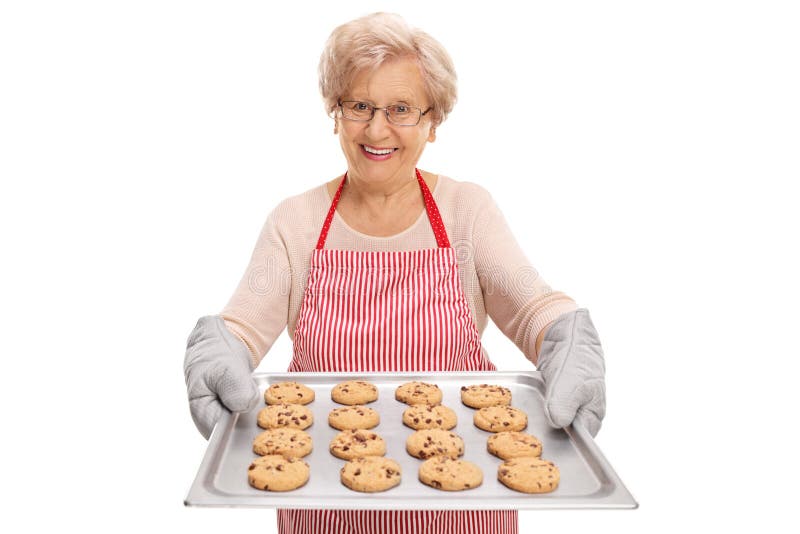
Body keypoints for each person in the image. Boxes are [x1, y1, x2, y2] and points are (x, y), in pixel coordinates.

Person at [184, 12, 606, 534]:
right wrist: (217, 347)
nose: (377, 129)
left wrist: (567, 336)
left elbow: (530, 304)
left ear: (434, 121)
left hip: (464, 513)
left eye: (401, 109)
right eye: (359, 105)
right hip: (327, 510)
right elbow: (243, 326)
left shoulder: (465, 211)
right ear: (334, 112)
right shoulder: (296, 222)